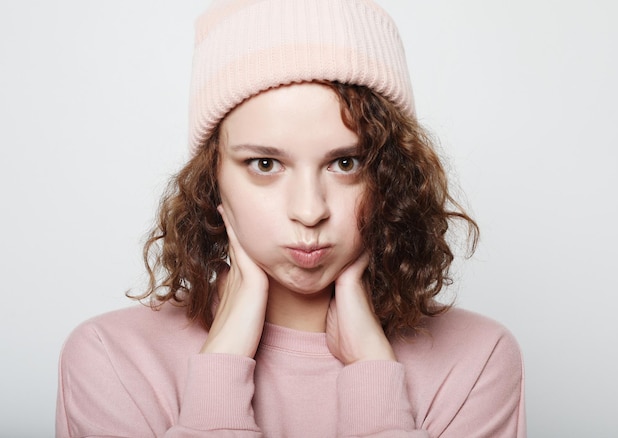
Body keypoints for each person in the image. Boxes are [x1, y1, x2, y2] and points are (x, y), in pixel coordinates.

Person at [56, 0, 525, 436]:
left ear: (394, 175)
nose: (309, 210)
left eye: (346, 163)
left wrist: (373, 373)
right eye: (265, 164)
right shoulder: (112, 358)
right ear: (211, 176)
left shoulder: (476, 360)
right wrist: (222, 365)